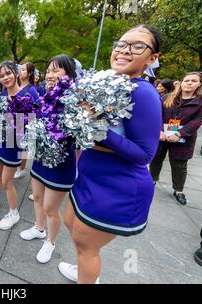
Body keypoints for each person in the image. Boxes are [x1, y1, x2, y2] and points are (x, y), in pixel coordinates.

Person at [59, 24, 162, 284]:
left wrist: (94, 127)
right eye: (121, 44)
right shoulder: (110, 83)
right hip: (90, 176)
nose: (124, 50)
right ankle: (84, 269)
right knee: (71, 223)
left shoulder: (144, 92)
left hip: (117, 186)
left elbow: (144, 154)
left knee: (87, 246)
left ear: (152, 58)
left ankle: (87, 275)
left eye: (137, 46)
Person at [20, 55, 78, 264]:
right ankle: (39, 227)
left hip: (61, 164)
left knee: (51, 209)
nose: (51, 75)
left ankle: (50, 242)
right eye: (49, 71)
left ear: (69, 75)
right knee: (36, 198)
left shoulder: (74, 99)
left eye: (57, 71)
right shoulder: (46, 94)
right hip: (41, 159)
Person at [0, 61, 37, 230]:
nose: (5, 77)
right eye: (2, 75)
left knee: (7, 181)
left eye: (8, 73)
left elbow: (31, 125)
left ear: (15, 73)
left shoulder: (25, 96)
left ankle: (14, 213)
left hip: (13, 145)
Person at [150, 72, 202, 205]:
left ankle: (178, 190)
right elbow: (157, 114)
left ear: (200, 84)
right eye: (186, 80)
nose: (189, 83)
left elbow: (198, 120)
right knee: (156, 158)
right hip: (162, 135)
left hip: (183, 138)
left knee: (180, 164)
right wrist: (159, 131)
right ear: (181, 82)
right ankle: (151, 181)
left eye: (193, 81)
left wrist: (179, 134)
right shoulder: (167, 97)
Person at [14, 62, 40, 180]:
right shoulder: (18, 86)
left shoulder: (32, 90)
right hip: (15, 121)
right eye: (20, 69)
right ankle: (17, 164)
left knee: (23, 146)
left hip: (25, 123)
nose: (20, 71)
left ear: (29, 73)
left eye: (23, 70)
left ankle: (22, 168)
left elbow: (36, 109)